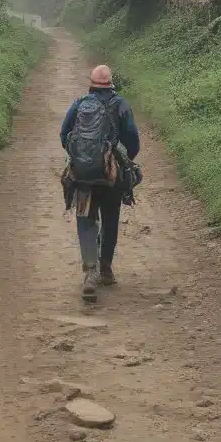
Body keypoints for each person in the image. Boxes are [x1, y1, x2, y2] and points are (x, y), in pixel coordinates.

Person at [60, 64, 141, 302]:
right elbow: (133, 141)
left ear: (91, 85)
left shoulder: (79, 104)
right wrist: (119, 160)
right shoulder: (122, 104)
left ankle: (89, 273)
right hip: (110, 176)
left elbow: (64, 135)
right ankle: (106, 268)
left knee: (85, 219)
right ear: (111, 84)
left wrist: (82, 157)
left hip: (83, 175)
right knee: (110, 217)